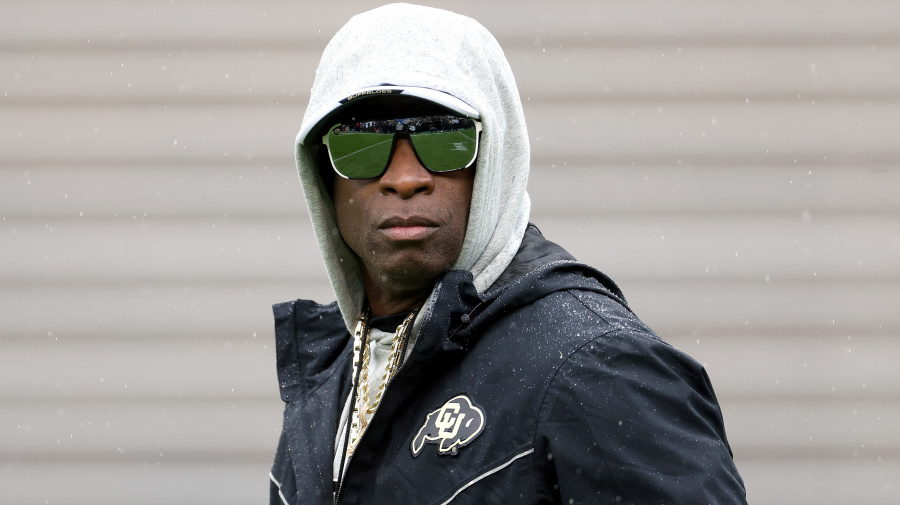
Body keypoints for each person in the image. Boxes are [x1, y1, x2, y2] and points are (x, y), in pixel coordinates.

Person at [269, 4, 747, 505]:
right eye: (361, 146)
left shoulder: (591, 364)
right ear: (321, 176)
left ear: (496, 155)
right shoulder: (332, 380)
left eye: (446, 138)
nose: (404, 177)